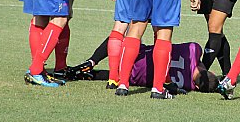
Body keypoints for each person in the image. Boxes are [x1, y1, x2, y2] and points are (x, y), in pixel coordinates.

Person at [69, 39, 218, 94]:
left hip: (139, 55)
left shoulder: (194, 49)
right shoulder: (188, 86)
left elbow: (197, 58)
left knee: (121, 37)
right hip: (135, 77)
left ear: (211, 71)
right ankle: (93, 74)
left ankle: (91, 61)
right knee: (120, 73)